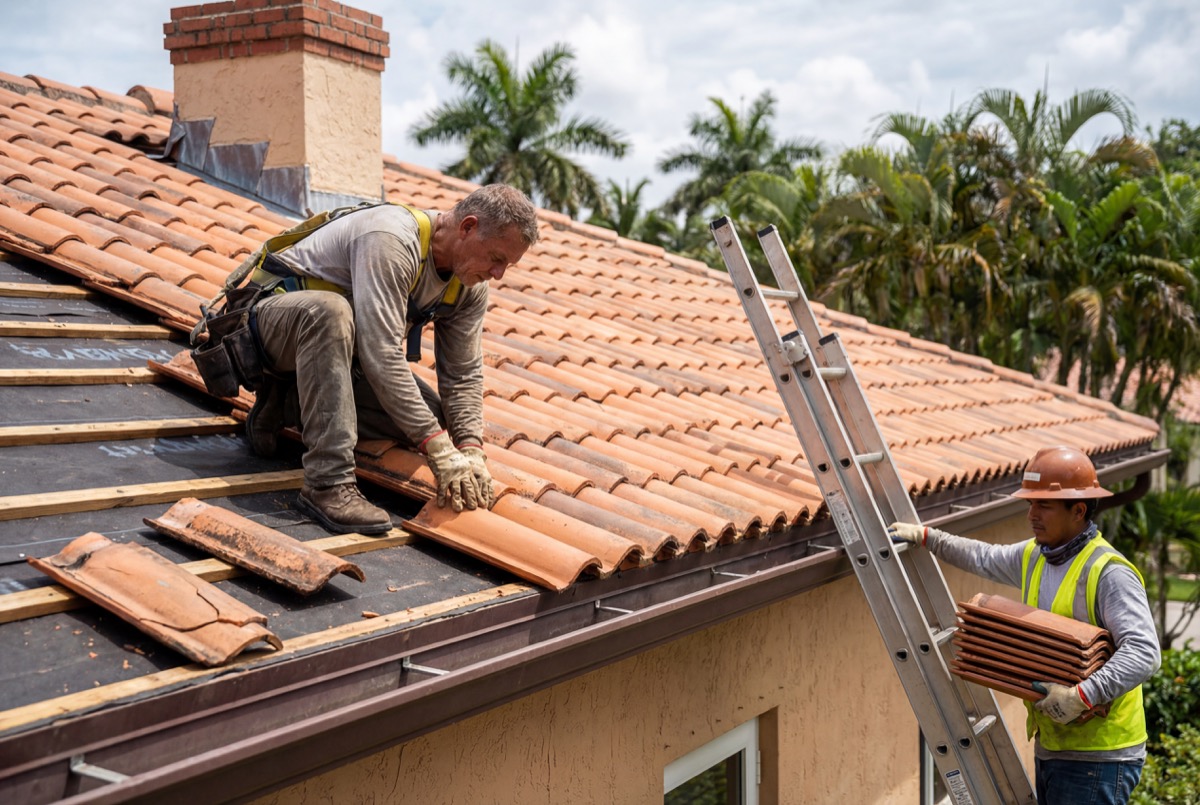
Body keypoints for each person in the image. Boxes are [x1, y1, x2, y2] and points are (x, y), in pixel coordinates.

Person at [243, 184, 538, 535]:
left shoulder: (467, 286)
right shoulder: (392, 239)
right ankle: (328, 485)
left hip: (335, 360)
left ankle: (286, 404)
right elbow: (381, 352)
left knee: (439, 420)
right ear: (468, 227)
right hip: (267, 333)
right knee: (330, 312)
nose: (499, 274)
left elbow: (462, 375)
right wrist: (438, 449)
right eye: (497, 259)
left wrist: (469, 449)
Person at [888, 445, 1160, 805]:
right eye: (1030, 503)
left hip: (1099, 755)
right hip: (1057, 745)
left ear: (1078, 510)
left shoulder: (1109, 573)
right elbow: (984, 557)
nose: (1031, 514)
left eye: (1043, 505)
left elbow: (1144, 653)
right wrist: (928, 538)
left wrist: (1082, 696)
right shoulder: (1037, 555)